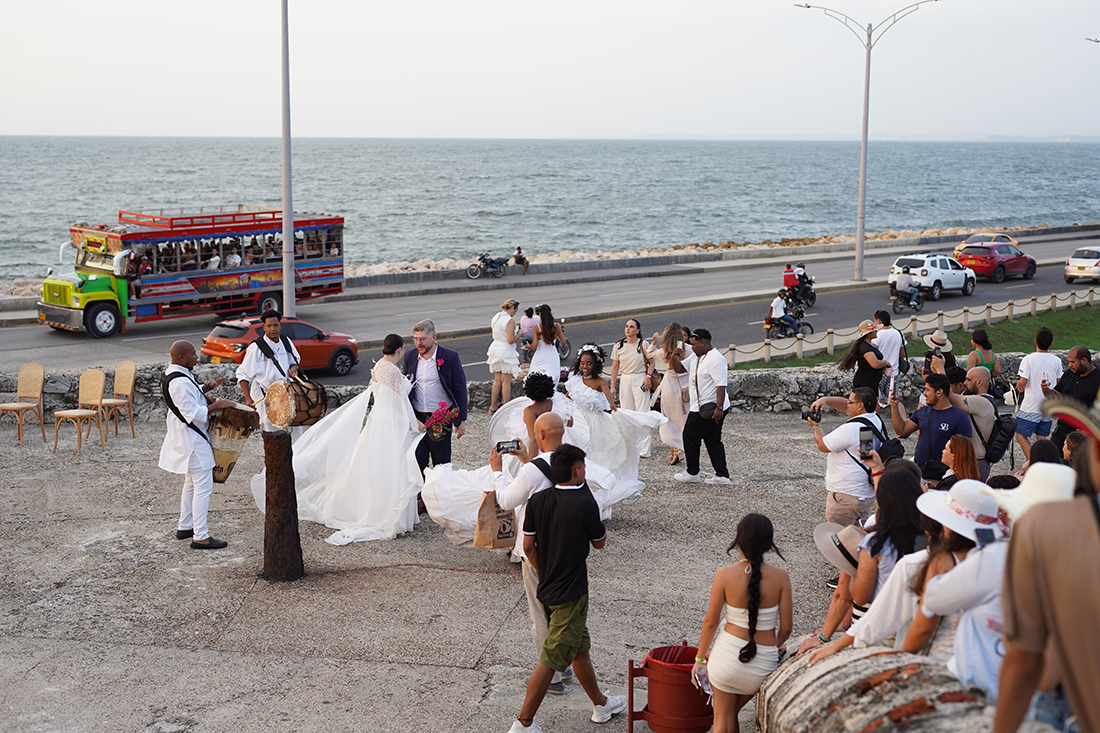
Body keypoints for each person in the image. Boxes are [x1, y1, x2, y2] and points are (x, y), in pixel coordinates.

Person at [251, 335, 426, 543]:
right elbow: (399, 402)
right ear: (400, 349)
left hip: (377, 422)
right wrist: (415, 423)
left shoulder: (379, 366)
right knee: (390, 466)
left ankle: (376, 508)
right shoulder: (392, 370)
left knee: (375, 467)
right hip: (390, 424)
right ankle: (388, 516)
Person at [510, 445, 627, 732]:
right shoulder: (585, 504)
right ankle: (523, 723)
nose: (585, 472)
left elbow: (528, 547)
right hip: (572, 593)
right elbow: (599, 542)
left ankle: (601, 704)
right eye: (583, 468)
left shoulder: (538, 501)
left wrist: (543, 570)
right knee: (552, 658)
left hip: (547, 588)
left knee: (578, 649)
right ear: (576, 471)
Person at [799, 468, 923, 655]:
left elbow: (860, 596)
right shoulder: (927, 537)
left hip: (880, 630)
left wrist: (852, 567)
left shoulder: (875, 544)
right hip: (914, 627)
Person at [492, 413, 573, 696]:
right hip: (567, 548)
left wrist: (497, 471)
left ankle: (549, 677)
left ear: (539, 436)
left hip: (537, 549)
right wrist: (528, 459)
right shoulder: (573, 462)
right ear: (561, 432)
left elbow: (505, 500)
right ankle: (563, 665)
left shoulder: (532, 471)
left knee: (540, 612)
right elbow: (547, 480)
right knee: (562, 610)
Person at [692, 514, 792, 733]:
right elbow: (786, 628)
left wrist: (700, 659)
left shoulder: (724, 575)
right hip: (763, 664)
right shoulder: (781, 577)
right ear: (769, 544)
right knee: (729, 717)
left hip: (726, 658)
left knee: (722, 720)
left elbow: (710, 622)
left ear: (736, 538)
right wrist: (775, 645)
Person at [160, 340, 234, 550]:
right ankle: (200, 536)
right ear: (181, 357)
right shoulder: (180, 382)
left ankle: (185, 526)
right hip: (192, 442)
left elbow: (189, 398)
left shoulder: (175, 374)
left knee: (191, 483)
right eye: (193, 353)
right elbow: (193, 414)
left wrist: (208, 387)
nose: (197, 356)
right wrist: (219, 404)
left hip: (184, 439)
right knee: (203, 487)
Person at [565, 343, 665, 484]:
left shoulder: (599, 381)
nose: (585, 367)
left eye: (589, 363)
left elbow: (608, 395)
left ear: (596, 365)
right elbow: (567, 397)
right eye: (582, 363)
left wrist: (612, 404)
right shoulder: (574, 380)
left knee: (595, 450)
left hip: (595, 422)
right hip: (578, 420)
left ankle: (596, 478)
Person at [806, 386, 884, 528]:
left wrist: (815, 426)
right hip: (865, 494)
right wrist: (826, 400)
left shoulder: (851, 428)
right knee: (858, 537)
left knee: (840, 539)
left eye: (850, 402)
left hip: (846, 495)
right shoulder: (874, 420)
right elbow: (864, 455)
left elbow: (823, 445)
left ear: (860, 406)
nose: (847, 405)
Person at [402, 319, 468, 475]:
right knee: (417, 463)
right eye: (416, 339)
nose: (419, 343)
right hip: (417, 419)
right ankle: (420, 498)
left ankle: (441, 496)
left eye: (423, 339)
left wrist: (461, 419)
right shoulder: (410, 356)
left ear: (434, 337)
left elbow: (460, 388)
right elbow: (406, 386)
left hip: (441, 419)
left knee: (442, 464)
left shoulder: (450, 357)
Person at [675, 329, 731, 486]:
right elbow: (679, 369)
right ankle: (722, 475)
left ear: (703, 342)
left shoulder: (716, 359)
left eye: (693, 344)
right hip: (701, 405)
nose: (691, 347)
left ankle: (692, 472)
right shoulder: (697, 357)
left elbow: (721, 385)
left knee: (689, 436)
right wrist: (674, 357)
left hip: (710, 406)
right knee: (712, 440)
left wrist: (719, 408)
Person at [890, 373, 972, 478]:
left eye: (927, 390)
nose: (924, 394)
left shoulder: (959, 418)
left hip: (944, 477)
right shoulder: (923, 412)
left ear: (939, 392)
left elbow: (966, 452)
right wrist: (894, 407)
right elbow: (901, 430)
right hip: (920, 474)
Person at [236, 309, 303, 438]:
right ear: (263, 327)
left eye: (275, 325)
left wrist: (293, 368)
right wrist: (248, 399)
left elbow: (294, 361)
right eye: (269, 326)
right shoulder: (255, 347)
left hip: (288, 396)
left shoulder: (286, 341)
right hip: (267, 398)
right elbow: (243, 375)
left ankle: (296, 458)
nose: (273, 329)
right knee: (274, 436)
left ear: (280, 325)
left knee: (296, 434)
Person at [934, 359, 997, 480]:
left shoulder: (981, 402)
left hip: (975, 461)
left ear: (979, 383)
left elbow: (950, 396)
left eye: (968, 380)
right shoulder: (982, 401)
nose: (965, 383)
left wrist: (940, 369)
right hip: (975, 460)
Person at [608, 318, 656, 457]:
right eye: (626, 326)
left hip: (640, 378)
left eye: (631, 327)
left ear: (637, 330)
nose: (628, 329)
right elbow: (615, 366)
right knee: (627, 412)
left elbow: (651, 363)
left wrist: (648, 376)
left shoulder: (643, 344)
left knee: (643, 411)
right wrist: (612, 385)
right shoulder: (619, 346)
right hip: (625, 379)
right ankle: (630, 446)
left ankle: (644, 449)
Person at [1015, 327, 1063, 462]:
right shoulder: (1057, 360)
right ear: (1051, 344)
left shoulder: (1028, 359)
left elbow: (1023, 381)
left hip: (1031, 405)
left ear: (1035, 341)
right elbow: (1059, 382)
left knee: (1020, 436)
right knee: (1041, 438)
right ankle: (1042, 462)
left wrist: (1019, 386)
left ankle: (1034, 462)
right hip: (1048, 405)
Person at [653, 322, 693, 466]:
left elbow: (650, 353)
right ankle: (682, 448)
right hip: (684, 387)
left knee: (669, 418)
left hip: (669, 387)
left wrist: (652, 343)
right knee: (683, 417)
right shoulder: (688, 349)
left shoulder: (664, 350)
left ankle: (675, 449)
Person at [1048, 346, 1100, 450]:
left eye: (1073, 362)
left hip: (1084, 435)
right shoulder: (1069, 374)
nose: (1069, 365)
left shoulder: (1098, 378)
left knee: (1079, 465)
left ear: (1084, 360)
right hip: (1062, 430)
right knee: (1051, 460)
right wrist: (1046, 390)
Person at [487, 299, 522, 415]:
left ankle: (493, 406)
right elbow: (510, 340)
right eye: (515, 311)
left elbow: (494, 333)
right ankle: (505, 408)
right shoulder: (510, 321)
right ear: (512, 308)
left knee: (497, 380)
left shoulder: (496, 317)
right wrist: (519, 334)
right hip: (506, 351)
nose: (514, 314)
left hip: (495, 349)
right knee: (506, 382)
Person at [837, 320, 888, 394]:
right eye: (874, 330)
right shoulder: (865, 347)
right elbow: (875, 364)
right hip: (866, 382)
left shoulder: (867, 346)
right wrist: (886, 362)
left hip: (871, 381)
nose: (876, 331)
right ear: (868, 334)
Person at [871, 310, 904, 407]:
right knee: (894, 400)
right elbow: (901, 354)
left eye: (875, 321)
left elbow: (874, 355)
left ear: (879, 322)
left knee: (877, 399)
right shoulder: (899, 333)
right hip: (894, 372)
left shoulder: (876, 336)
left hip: (880, 372)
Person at [529, 304, 565, 383]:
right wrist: (556, 335)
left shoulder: (536, 327)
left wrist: (528, 346)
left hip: (540, 356)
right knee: (552, 379)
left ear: (540, 314)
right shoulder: (557, 326)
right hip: (553, 356)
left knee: (535, 378)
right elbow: (563, 342)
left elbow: (534, 345)